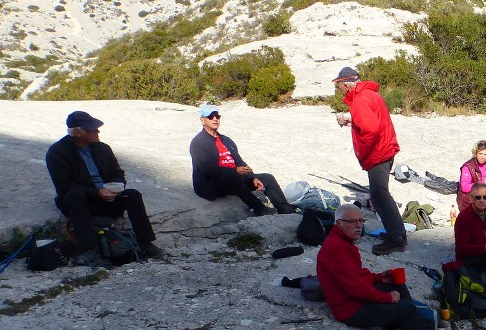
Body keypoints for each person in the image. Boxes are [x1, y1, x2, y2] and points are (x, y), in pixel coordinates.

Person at [317, 204, 448, 330]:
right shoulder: (336, 248)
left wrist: (379, 278)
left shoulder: (344, 242)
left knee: (396, 284)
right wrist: (387, 298)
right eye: (352, 221)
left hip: (354, 299)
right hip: (351, 310)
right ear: (339, 224)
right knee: (406, 307)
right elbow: (356, 289)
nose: (359, 225)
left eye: (360, 220)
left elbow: (357, 276)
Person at [46, 110, 167, 267]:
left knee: (133, 195)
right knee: (74, 196)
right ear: (78, 132)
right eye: (92, 129)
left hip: (108, 197)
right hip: (83, 202)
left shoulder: (103, 149)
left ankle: (145, 243)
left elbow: (117, 173)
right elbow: (64, 185)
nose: (97, 131)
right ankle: (89, 249)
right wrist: (96, 192)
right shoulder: (57, 152)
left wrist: (115, 187)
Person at [332, 66, 406, 256]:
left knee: (380, 196)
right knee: (380, 195)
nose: (339, 90)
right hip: (385, 149)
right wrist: (350, 121)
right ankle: (396, 234)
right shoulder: (368, 95)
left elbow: (371, 131)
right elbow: (370, 122)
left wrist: (364, 154)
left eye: (339, 86)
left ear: (346, 85)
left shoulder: (360, 100)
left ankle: (396, 238)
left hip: (378, 153)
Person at [189, 105, 298, 216]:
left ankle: (286, 210)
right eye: (211, 116)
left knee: (267, 178)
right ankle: (260, 208)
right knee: (233, 177)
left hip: (234, 179)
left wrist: (252, 177)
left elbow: (239, 160)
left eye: (217, 116)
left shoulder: (226, 140)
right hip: (210, 185)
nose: (215, 119)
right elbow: (205, 168)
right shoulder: (198, 142)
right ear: (202, 120)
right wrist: (235, 171)